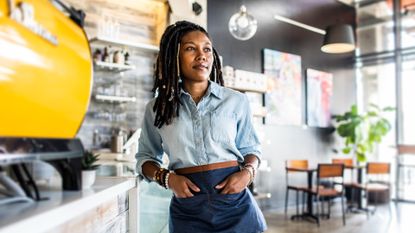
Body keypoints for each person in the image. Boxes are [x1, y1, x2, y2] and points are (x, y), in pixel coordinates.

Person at [136, 20, 267, 233]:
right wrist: (168, 179)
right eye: (190, 48)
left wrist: (247, 174)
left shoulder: (236, 101)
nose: (202, 55)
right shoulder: (157, 108)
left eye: (207, 49)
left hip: (235, 207)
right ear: (174, 57)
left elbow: (251, 150)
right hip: (187, 212)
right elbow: (145, 158)